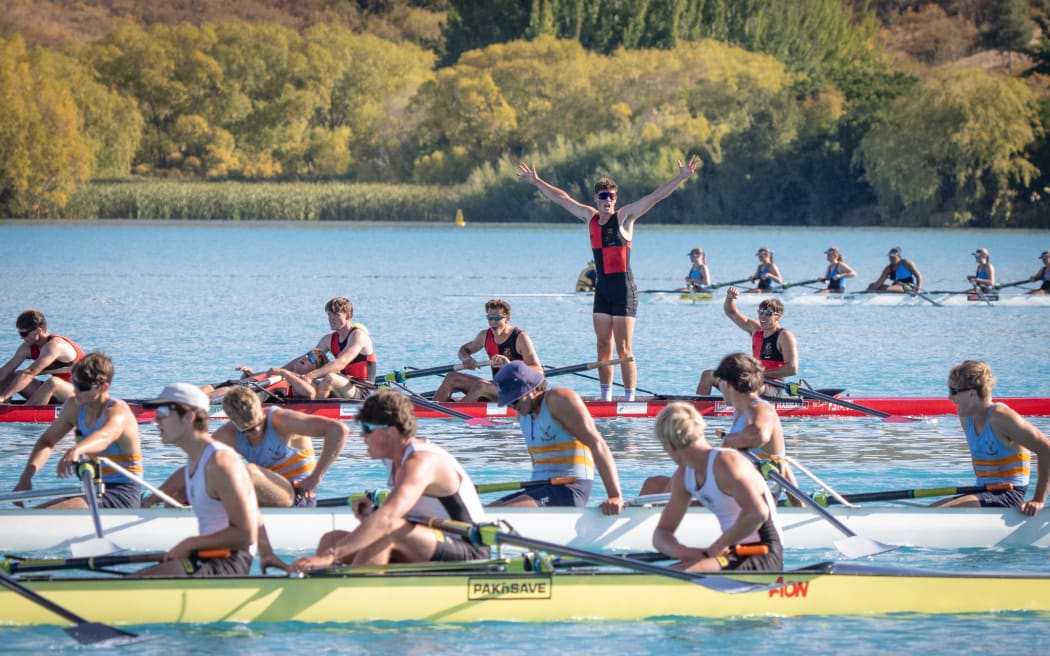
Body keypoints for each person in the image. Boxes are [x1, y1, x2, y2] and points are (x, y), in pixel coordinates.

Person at [517, 156, 700, 402]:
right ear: (596, 199)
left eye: (612, 197)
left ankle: (630, 399)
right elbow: (562, 199)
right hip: (602, 291)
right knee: (603, 347)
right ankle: (606, 399)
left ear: (616, 198)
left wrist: (680, 177)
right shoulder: (589, 217)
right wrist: (537, 181)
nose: (608, 201)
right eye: (603, 197)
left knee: (623, 350)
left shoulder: (624, 217)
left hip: (624, 290)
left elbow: (655, 196)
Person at [285, 389, 489, 571]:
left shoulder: (421, 462)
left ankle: (356, 597)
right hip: (429, 540)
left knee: (386, 530)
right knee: (332, 540)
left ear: (390, 432)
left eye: (367, 430)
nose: (362, 437)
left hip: (469, 550)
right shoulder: (392, 457)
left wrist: (330, 557)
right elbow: (399, 513)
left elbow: (390, 518)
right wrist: (373, 513)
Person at [143, 386, 349, 509]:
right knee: (203, 471)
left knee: (246, 471)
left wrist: (316, 477)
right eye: (248, 430)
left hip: (297, 497)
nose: (256, 433)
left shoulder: (283, 420)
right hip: (261, 499)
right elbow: (194, 465)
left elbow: (339, 430)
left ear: (261, 411)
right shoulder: (229, 434)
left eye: (258, 427)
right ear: (233, 422)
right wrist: (155, 497)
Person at [136, 383, 259, 576]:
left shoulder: (220, 462)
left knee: (136, 583)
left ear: (189, 417)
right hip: (207, 557)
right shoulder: (195, 459)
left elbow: (246, 534)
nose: (156, 420)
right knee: (136, 578)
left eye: (163, 412)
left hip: (230, 563)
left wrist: (190, 543)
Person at [646, 353, 802, 504]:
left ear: (727, 384)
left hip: (756, 494)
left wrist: (729, 440)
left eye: (719, 382)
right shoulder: (740, 411)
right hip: (736, 486)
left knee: (683, 477)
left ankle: (666, 519)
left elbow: (760, 435)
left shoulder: (759, 408)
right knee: (653, 484)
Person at [651, 402, 783, 572]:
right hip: (731, 555)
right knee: (662, 573)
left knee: (671, 576)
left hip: (764, 554)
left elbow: (757, 513)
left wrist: (718, 546)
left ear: (670, 446)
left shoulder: (725, 463)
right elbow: (661, 532)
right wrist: (685, 553)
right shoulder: (683, 476)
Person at [11, 351, 143, 508]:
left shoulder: (118, 412)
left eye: (82, 387)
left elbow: (106, 436)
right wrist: (26, 478)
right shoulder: (74, 406)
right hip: (94, 489)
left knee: (45, 516)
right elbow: (47, 442)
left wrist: (78, 449)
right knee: (35, 513)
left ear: (103, 387)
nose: (76, 391)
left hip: (123, 493)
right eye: (74, 383)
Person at [490, 361, 624, 515]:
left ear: (530, 390)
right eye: (508, 403)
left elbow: (597, 443)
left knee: (496, 514)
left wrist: (615, 496)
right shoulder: (523, 415)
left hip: (570, 489)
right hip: (539, 489)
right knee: (481, 512)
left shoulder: (558, 399)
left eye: (514, 400)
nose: (513, 407)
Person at [933, 360, 1050, 516]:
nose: (950, 397)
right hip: (984, 491)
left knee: (937, 513)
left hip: (1010, 494)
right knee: (930, 510)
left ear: (972, 393)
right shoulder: (966, 419)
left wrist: (1038, 500)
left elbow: (1046, 449)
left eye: (954, 391)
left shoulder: (1001, 418)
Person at [432, 299, 542, 403]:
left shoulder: (520, 338)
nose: (493, 322)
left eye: (497, 318)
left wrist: (510, 366)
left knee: (481, 386)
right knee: (452, 377)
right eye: (489, 318)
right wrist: (467, 359)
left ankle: (452, 412)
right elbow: (463, 350)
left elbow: (538, 371)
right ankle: (433, 411)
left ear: (507, 319)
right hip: (497, 388)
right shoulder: (484, 336)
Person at [695, 287, 798, 395]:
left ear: (779, 317)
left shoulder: (784, 336)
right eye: (761, 312)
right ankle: (697, 407)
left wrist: (761, 373)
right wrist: (729, 298)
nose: (762, 316)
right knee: (708, 375)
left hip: (772, 387)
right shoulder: (755, 329)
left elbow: (792, 369)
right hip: (752, 381)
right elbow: (732, 313)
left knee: (747, 385)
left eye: (768, 313)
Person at [0, 309, 85, 404]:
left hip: (81, 394)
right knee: (10, 376)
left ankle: (24, 411)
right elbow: (6, 370)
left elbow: (30, 373)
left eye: (24, 334)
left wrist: (3, 396)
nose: (21, 337)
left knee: (53, 382)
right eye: (20, 333)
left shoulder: (55, 346)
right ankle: (4, 407)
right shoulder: (27, 348)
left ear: (38, 331)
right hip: (55, 393)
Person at [308, 297, 376, 399]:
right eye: (329, 314)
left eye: (336, 314)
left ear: (348, 316)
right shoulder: (328, 339)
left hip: (362, 391)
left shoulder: (358, 336)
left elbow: (341, 363)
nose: (331, 318)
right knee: (307, 383)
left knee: (329, 378)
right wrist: (282, 373)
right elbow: (308, 359)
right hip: (344, 385)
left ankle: (311, 411)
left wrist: (310, 376)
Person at [201, 349, 329, 400]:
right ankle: (184, 398)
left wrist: (283, 372)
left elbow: (310, 394)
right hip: (249, 383)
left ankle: (193, 404)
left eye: (311, 358)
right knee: (210, 387)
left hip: (254, 391)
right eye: (307, 353)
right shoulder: (290, 373)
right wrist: (248, 374)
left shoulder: (308, 381)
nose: (306, 356)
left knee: (229, 390)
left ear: (315, 368)